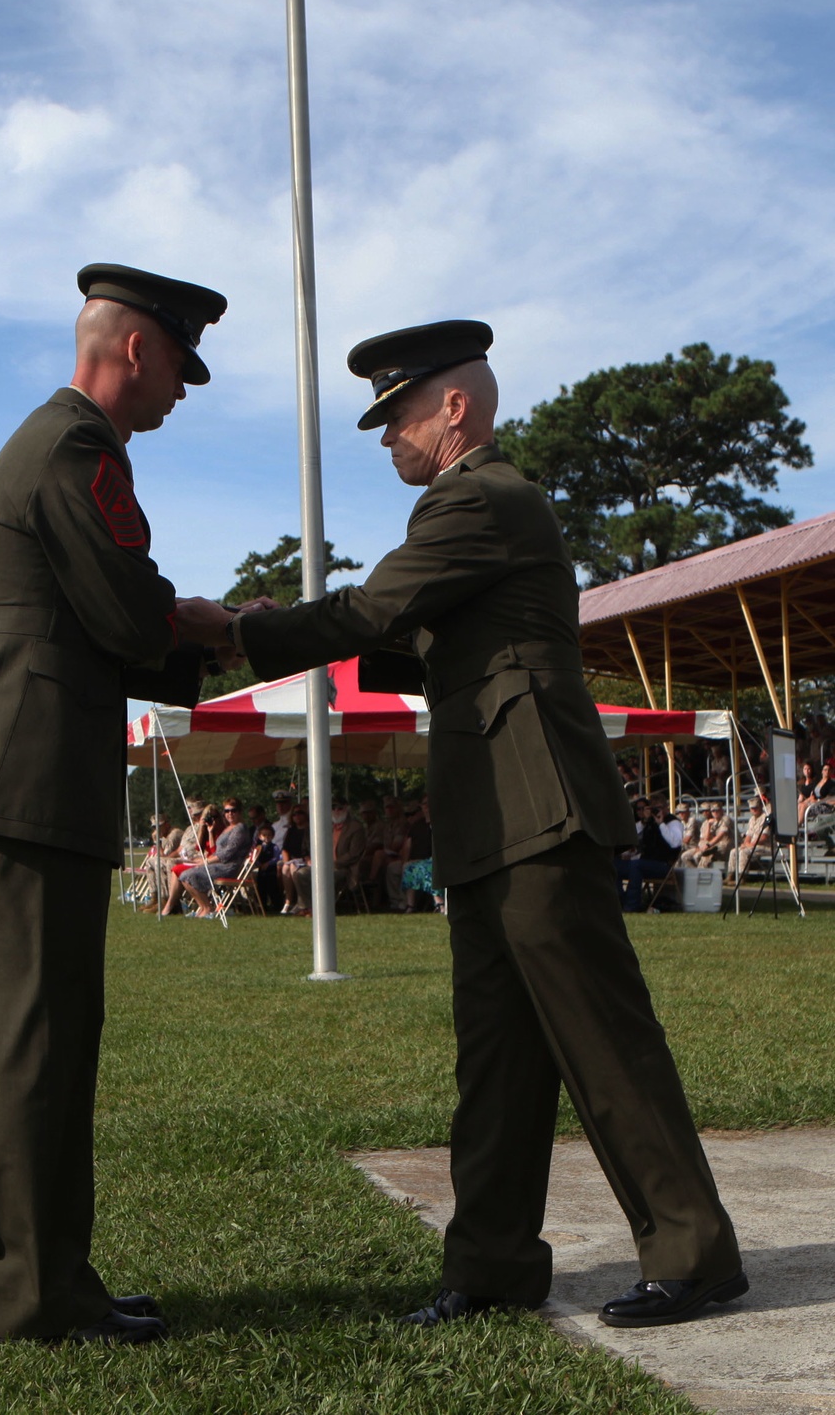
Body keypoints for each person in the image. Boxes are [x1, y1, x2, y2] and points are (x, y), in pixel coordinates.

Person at [176, 318, 746, 1329]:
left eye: (397, 412)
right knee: (498, 1053)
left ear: (455, 405)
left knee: (601, 1038)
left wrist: (239, 631)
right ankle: (487, 1265)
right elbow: (414, 642)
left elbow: (370, 614)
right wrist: (276, 621)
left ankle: (692, 1250)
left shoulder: (481, 495)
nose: (387, 434)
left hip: (533, 803)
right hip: (495, 810)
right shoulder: (473, 508)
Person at [0, 263, 245, 1345]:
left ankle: (57, 1276)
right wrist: (209, 621)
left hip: (26, 772)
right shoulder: (76, 447)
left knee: (49, 1037)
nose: (183, 394)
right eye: (180, 370)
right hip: (24, 775)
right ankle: (40, 1294)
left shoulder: (64, 445)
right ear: (136, 349)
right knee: (33, 1040)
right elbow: (124, 608)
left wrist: (170, 621)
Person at [179, 798, 252, 916]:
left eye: (233, 810)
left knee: (191, 875)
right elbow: (217, 850)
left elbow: (227, 854)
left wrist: (206, 861)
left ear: (239, 812)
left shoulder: (240, 829)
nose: (230, 814)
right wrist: (209, 833)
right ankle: (203, 907)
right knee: (184, 876)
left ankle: (208, 908)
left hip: (229, 867)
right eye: (227, 811)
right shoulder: (228, 828)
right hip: (218, 864)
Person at [617, 793, 683, 912]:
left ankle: (631, 906)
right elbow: (632, 833)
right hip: (645, 862)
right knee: (614, 865)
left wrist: (661, 824)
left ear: (666, 807)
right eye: (653, 808)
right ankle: (619, 901)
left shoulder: (673, 822)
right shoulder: (648, 822)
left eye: (660, 808)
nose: (657, 811)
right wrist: (645, 820)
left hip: (663, 865)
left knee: (636, 866)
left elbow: (675, 843)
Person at [725, 798, 771, 883]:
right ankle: (730, 875)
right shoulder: (751, 819)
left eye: (756, 807)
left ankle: (741, 877)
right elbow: (748, 835)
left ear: (761, 807)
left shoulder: (766, 818)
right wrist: (746, 843)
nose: (754, 810)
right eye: (752, 808)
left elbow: (764, 837)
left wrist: (751, 844)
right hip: (752, 845)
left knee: (744, 852)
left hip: (765, 846)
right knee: (734, 851)